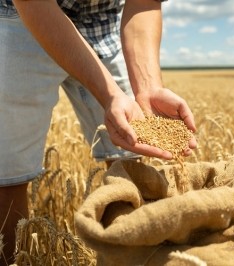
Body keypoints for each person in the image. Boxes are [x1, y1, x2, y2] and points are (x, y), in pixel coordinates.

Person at [0, 0, 197, 264]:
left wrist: (148, 88)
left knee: (129, 159)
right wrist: (110, 95)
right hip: (23, 16)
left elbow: (144, 2)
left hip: (103, 21)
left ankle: (130, 254)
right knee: (7, 172)